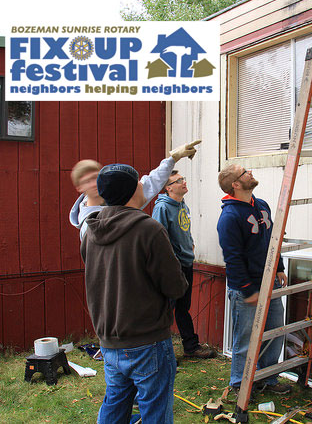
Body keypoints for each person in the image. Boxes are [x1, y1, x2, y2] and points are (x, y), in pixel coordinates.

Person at [81, 164, 188, 424]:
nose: (143, 185)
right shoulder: (149, 230)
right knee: (155, 412)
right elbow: (176, 286)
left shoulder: (91, 231)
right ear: (131, 191)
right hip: (148, 341)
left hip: (110, 341)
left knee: (115, 403)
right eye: (139, 182)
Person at [216, 164, 292, 395]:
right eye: (244, 172)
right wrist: (248, 290)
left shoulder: (261, 205)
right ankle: (239, 384)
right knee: (246, 339)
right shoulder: (229, 217)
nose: (250, 173)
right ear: (236, 184)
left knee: (275, 331)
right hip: (246, 289)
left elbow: (272, 239)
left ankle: (268, 378)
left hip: (270, 282)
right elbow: (233, 259)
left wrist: (279, 267)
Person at [70, 140, 201, 239]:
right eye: (88, 181)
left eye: (96, 177)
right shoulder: (89, 227)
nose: (94, 184)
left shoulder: (120, 200)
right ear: (79, 187)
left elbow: (149, 183)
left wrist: (173, 159)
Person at [152, 171, 217, 359]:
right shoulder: (162, 208)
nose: (183, 182)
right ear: (168, 188)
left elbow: (183, 230)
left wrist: (191, 244)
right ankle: (160, 354)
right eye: (178, 180)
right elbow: (158, 239)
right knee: (166, 309)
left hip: (186, 263)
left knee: (183, 307)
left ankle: (191, 347)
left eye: (183, 179)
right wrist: (171, 263)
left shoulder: (182, 204)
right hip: (173, 267)